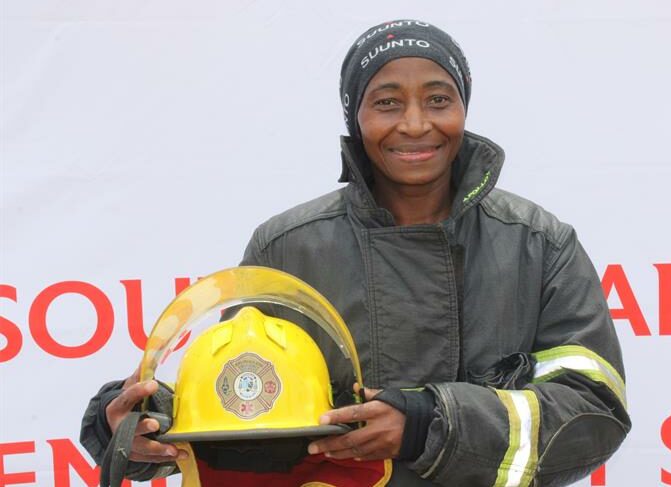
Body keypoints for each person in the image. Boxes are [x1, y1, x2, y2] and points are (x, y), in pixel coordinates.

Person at [81, 19, 631, 487]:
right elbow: (249, 409)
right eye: (387, 103)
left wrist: (430, 423)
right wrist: (138, 428)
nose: (416, 124)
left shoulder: (538, 243)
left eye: (439, 99)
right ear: (356, 117)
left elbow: (594, 415)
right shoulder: (287, 248)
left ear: (464, 108)